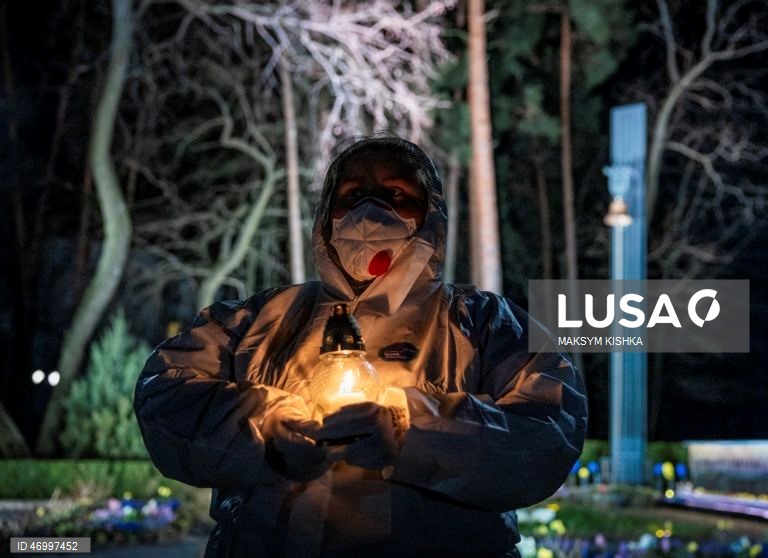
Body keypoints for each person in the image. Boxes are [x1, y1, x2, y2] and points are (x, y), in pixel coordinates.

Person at [133, 136, 587, 558]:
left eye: (395, 194)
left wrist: (410, 431)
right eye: (353, 194)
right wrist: (264, 428)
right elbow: (166, 393)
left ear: (430, 214)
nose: (370, 209)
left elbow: (549, 427)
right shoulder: (257, 321)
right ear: (326, 215)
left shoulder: (484, 323)